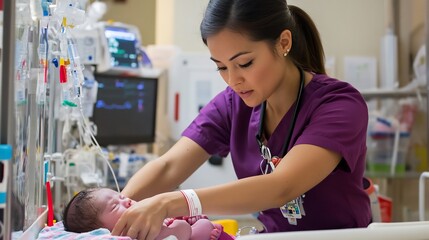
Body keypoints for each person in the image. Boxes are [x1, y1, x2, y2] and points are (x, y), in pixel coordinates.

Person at [112, 0, 371, 239]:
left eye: (245, 63)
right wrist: (114, 212)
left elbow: (283, 186)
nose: (233, 80)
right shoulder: (233, 104)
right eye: (222, 67)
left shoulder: (339, 105)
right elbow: (169, 166)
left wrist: (169, 202)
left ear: (283, 43)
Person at [62, 188, 227, 240]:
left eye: (121, 196)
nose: (126, 200)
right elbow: (182, 230)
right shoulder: (144, 235)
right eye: (114, 206)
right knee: (204, 226)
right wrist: (191, 223)